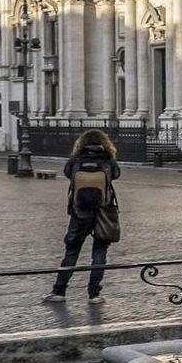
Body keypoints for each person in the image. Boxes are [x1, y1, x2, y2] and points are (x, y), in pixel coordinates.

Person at [44, 130, 120, 303]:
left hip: (80, 212)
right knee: (100, 250)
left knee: (72, 250)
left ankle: (59, 292)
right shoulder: (108, 160)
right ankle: (94, 294)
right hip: (103, 211)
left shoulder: (76, 160)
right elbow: (116, 175)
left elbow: (67, 174)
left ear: (81, 143)